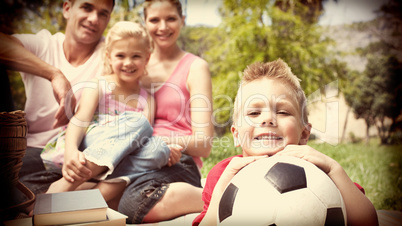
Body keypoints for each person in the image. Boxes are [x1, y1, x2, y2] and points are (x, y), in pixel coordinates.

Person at [193, 59, 378, 226]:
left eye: (282, 112)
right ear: (236, 134)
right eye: (254, 113)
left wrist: (333, 170)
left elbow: (368, 222)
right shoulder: (222, 174)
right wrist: (219, 194)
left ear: (304, 134)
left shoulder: (319, 172)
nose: (267, 119)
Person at [42, 21, 170, 207]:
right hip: (91, 144)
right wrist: (71, 150)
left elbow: (143, 140)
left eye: (136, 56)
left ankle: (93, 197)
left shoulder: (148, 99)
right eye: (120, 55)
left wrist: (169, 151)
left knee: (159, 148)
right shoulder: (99, 84)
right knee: (138, 121)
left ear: (147, 58)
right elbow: (80, 119)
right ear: (109, 57)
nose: (128, 63)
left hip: (122, 157)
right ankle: (68, 183)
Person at [117, 0, 214, 223]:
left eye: (170, 18)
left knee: (135, 203)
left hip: (177, 160)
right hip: (134, 158)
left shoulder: (195, 67)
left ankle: (214, 196)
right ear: (144, 23)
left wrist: (152, 140)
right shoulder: (133, 66)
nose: (163, 27)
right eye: (154, 20)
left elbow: (205, 144)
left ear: (183, 20)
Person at [0, 0, 115, 184]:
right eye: (87, 7)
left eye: (103, 13)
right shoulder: (45, 44)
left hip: (75, 153)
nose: (94, 19)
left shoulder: (111, 55)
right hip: (28, 148)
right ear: (67, 9)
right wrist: (54, 74)